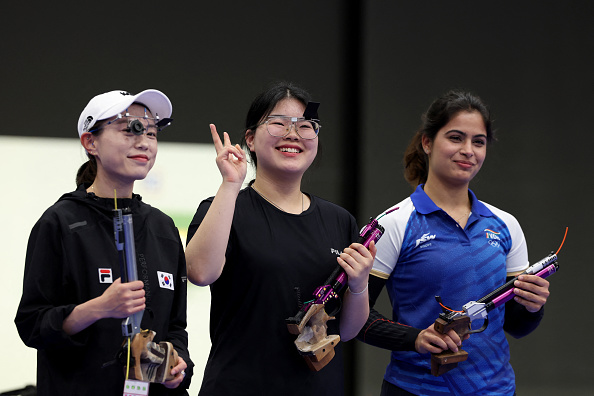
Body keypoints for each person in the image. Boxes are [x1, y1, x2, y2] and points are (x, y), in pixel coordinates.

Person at [185, 81, 376, 395]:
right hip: (240, 385)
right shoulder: (225, 207)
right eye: (278, 123)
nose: (293, 134)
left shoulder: (339, 220)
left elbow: (348, 329)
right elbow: (200, 272)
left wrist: (359, 285)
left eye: (306, 125)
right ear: (250, 138)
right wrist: (231, 185)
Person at [357, 90, 551, 395]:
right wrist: (415, 339)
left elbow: (517, 326)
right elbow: (355, 318)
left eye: (478, 141)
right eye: (456, 137)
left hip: (497, 389)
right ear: (427, 142)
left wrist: (532, 306)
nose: (468, 150)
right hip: (415, 389)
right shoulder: (392, 223)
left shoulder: (505, 225)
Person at [15, 89, 193, 395]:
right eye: (130, 130)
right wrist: (98, 308)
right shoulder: (60, 222)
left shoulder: (163, 227)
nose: (144, 142)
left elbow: (176, 327)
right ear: (90, 142)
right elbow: (33, 324)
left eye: (151, 132)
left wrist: (177, 365)